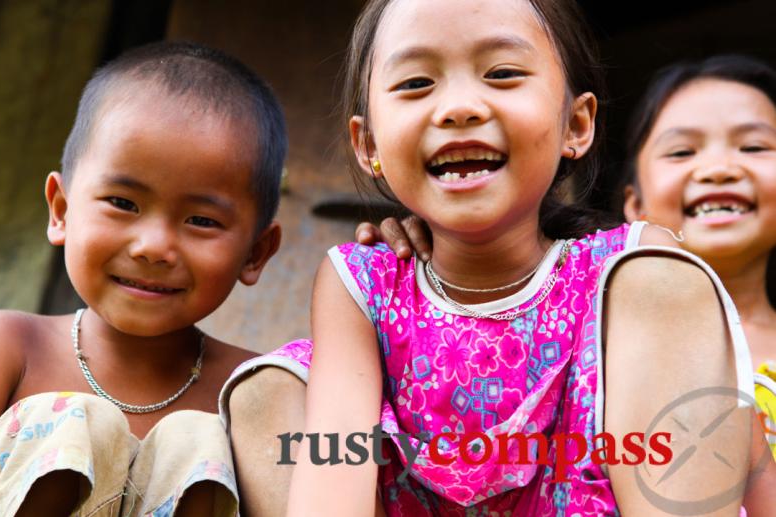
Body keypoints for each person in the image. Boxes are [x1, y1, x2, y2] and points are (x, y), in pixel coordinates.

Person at [223, 1, 759, 515]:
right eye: (415, 83)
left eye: (502, 73)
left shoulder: (633, 273)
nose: (459, 108)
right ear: (369, 146)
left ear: (576, 125)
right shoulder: (363, 282)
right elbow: (333, 470)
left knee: (663, 281)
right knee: (268, 390)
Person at [0, 41, 286, 517]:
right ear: (62, 210)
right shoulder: (7, 347)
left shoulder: (255, 389)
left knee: (193, 443)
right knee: (76, 424)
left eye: (200, 220)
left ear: (255, 253)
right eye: (123, 203)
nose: (153, 246)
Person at [618, 55, 776, 463]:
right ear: (635, 206)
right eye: (682, 152)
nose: (718, 169)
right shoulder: (599, 346)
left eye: (754, 146)